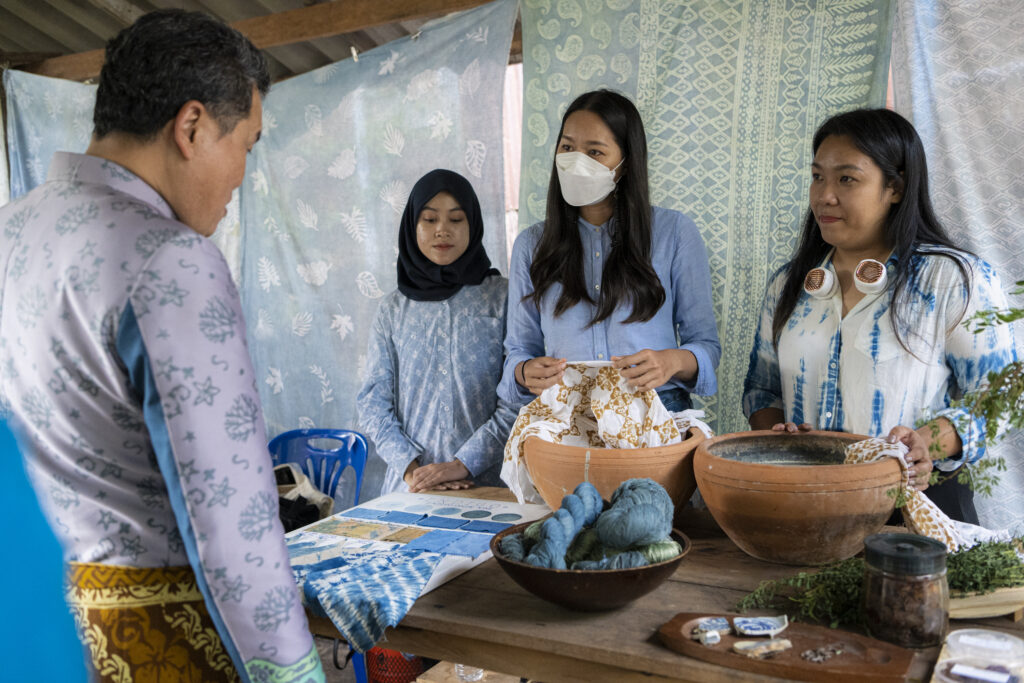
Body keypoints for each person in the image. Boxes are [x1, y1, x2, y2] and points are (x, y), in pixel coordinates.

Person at [0, 11, 325, 682]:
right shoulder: (170, 260)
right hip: (158, 645)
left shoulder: (11, 231)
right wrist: (294, 673)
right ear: (193, 126)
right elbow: (232, 533)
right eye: (248, 144)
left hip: (34, 631)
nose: (241, 176)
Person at [743, 108, 1017, 524]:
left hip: (917, 509)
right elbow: (762, 392)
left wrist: (930, 442)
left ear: (895, 187)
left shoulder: (953, 279)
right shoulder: (790, 285)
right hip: (809, 507)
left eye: (846, 179)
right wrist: (779, 439)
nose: (824, 196)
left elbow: (1001, 397)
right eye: (818, 176)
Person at [498, 90, 721, 412]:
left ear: (626, 163)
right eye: (567, 148)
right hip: (567, 416)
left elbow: (706, 346)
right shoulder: (531, 245)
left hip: (656, 411)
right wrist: (523, 371)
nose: (577, 162)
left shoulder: (675, 233)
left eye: (595, 152)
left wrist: (670, 361)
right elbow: (518, 351)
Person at [358, 169, 517, 494]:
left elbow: (518, 400)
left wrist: (463, 464)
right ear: (412, 226)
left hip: (488, 487)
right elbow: (373, 403)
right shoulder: (392, 310)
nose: (442, 230)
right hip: (412, 490)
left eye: (456, 220)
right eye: (429, 220)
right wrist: (412, 471)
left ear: (472, 225)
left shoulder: (502, 297)